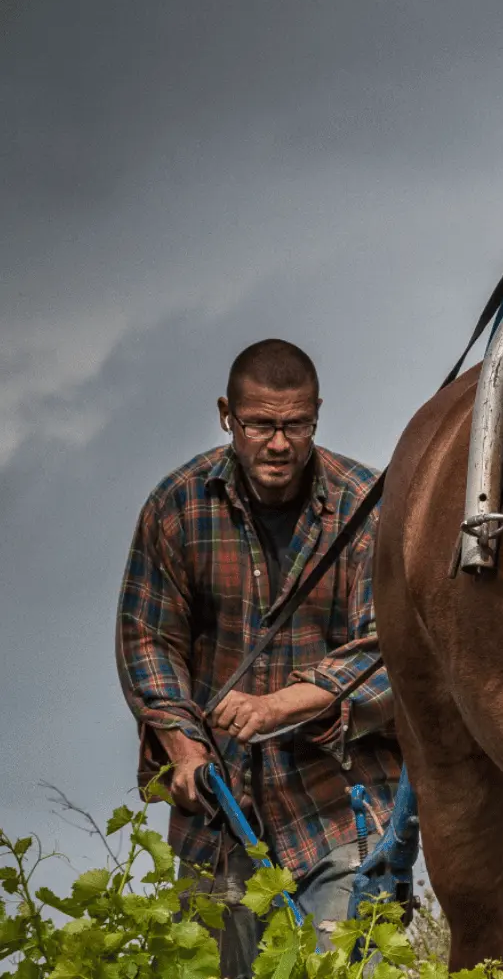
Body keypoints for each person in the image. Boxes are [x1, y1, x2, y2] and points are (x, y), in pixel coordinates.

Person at [116, 339, 397, 977]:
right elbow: (147, 640)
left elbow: (392, 651)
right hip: (218, 818)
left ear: (317, 415)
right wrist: (184, 748)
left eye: (295, 425)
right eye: (261, 425)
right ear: (227, 416)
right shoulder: (178, 506)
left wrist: (282, 707)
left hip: (340, 807)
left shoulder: (368, 506)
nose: (278, 443)